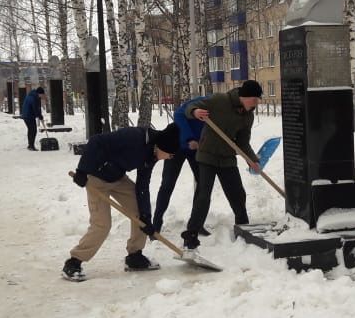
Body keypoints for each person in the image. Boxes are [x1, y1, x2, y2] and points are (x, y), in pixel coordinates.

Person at [63, 123, 181, 281]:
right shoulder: (133, 137)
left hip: (118, 178)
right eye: (169, 154)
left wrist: (146, 216)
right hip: (96, 179)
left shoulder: (152, 154)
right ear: (161, 147)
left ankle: (135, 256)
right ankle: (74, 262)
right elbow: (96, 141)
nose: (169, 158)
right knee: (102, 224)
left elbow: (143, 185)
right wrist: (83, 170)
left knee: (139, 214)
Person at [180, 80, 262, 252]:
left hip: (227, 158)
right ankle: (191, 236)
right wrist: (195, 112)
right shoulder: (219, 100)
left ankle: (243, 229)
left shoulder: (248, 116)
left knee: (238, 194)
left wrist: (252, 159)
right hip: (207, 156)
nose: (256, 103)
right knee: (203, 195)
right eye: (254, 99)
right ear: (244, 97)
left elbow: (242, 142)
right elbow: (189, 108)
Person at [152, 95, 207, 235]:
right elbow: (179, 114)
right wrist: (189, 138)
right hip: (175, 144)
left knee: (203, 184)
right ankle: (156, 224)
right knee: (167, 184)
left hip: (196, 148)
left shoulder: (225, 114)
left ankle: (196, 223)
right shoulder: (206, 102)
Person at [21, 86, 45, 150]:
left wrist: (40, 115)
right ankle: (31, 146)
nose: (42, 96)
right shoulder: (33, 98)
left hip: (27, 115)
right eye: (42, 94)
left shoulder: (33, 96)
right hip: (29, 116)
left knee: (31, 130)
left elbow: (37, 108)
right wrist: (40, 116)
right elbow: (35, 109)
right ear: (39, 93)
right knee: (33, 130)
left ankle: (30, 145)